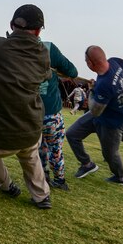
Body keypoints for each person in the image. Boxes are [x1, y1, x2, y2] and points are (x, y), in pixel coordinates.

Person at [0, 5, 53, 208]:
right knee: (30, 153)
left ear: (11, 25)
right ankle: (41, 196)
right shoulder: (43, 54)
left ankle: (6, 185)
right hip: (30, 129)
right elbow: (44, 75)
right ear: (39, 31)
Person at [66, 46, 123, 185]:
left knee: (110, 154)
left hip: (112, 121)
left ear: (91, 63)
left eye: (86, 61)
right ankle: (87, 164)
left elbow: (95, 110)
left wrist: (92, 90)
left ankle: (121, 177)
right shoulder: (115, 62)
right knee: (72, 134)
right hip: (101, 115)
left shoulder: (105, 84)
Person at [38, 37, 79, 191]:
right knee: (55, 148)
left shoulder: (11, 47)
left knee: (36, 147)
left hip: (27, 111)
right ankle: (59, 180)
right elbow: (72, 71)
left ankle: (42, 175)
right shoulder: (48, 48)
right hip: (50, 112)